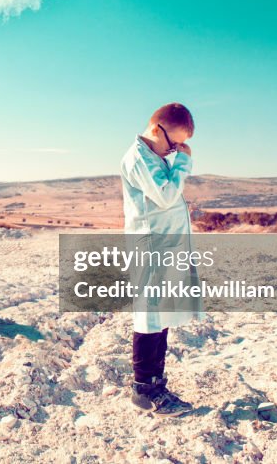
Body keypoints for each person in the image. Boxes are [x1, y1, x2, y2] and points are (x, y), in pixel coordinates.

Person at [119, 102, 202, 417]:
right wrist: (182, 162)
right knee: (149, 317)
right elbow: (166, 195)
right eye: (173, 144)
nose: (175, 151)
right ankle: (144, 389)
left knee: (160, 317)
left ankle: (157, 385)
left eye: (180, 147)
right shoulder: (140, 158)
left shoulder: (154, 155)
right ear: (156, 129)